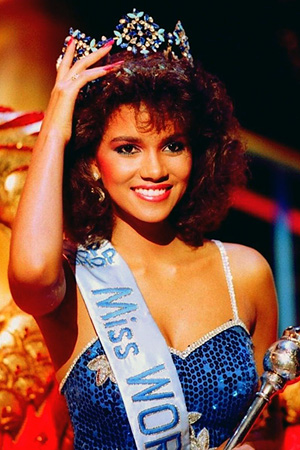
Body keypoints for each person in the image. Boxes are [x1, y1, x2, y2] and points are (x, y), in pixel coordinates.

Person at [8, 8, 278, 450]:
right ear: (93, 163)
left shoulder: (246, 274)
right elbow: (31, 273)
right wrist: (57, 126)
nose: (154, 169)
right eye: (127, 148)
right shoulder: (72, 279)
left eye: (173, 145)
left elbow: (262, 432)